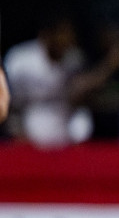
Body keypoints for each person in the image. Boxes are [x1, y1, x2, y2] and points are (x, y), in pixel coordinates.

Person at [3, 14, 93, 146]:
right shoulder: (20, 59)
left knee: (82, 121)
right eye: (63, 34)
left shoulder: (74, 60)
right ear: (48, 35)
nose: (68, 39)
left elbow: (78, 98)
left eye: (70, 34)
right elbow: (8, 102)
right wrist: (16, 131)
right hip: (27, 124)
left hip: (64, 126)